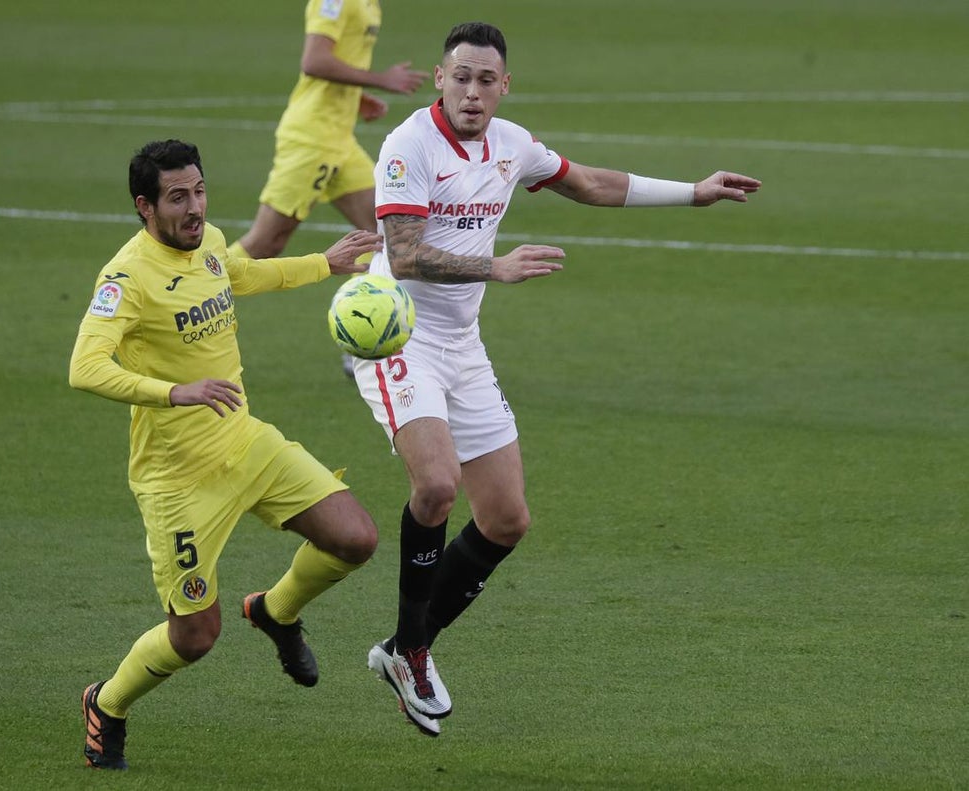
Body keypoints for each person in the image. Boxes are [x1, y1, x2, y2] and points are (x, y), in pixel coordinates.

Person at [352, 22, 762, 737]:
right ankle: (412, 649)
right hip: (395, 333)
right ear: (440, 79)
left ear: (504, 87)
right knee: (437, 485)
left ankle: (402, 648)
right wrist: (495, 265)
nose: (473, 91)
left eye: (487, 80)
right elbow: (406, 253)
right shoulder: (408, 146)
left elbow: (587, 183)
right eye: (461, 76)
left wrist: (691, 193)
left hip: (461, 343)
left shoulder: (514, 143)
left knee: (506, 517)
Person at [70, 139, 382, 770]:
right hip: (178, 481)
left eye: (199, 191)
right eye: (177, 197)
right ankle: (107, 703)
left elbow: (242, 275)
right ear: (144, 207)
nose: (194, 208)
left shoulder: (208, 240)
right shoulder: (125, 278)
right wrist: (173, 392)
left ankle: (275, 612)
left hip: (246, 441)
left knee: (355, 539)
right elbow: (84, 368)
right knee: (195, 636)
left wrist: (325, 262)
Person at [225, 0, 428, 378]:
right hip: (312, 140)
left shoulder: (370, 5)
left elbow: (335, 64)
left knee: (382, 229)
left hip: (339, 140)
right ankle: (185, 299)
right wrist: (380, 79)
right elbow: (314, 61)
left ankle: (359, 337)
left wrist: (355, 99)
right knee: (266, 243)